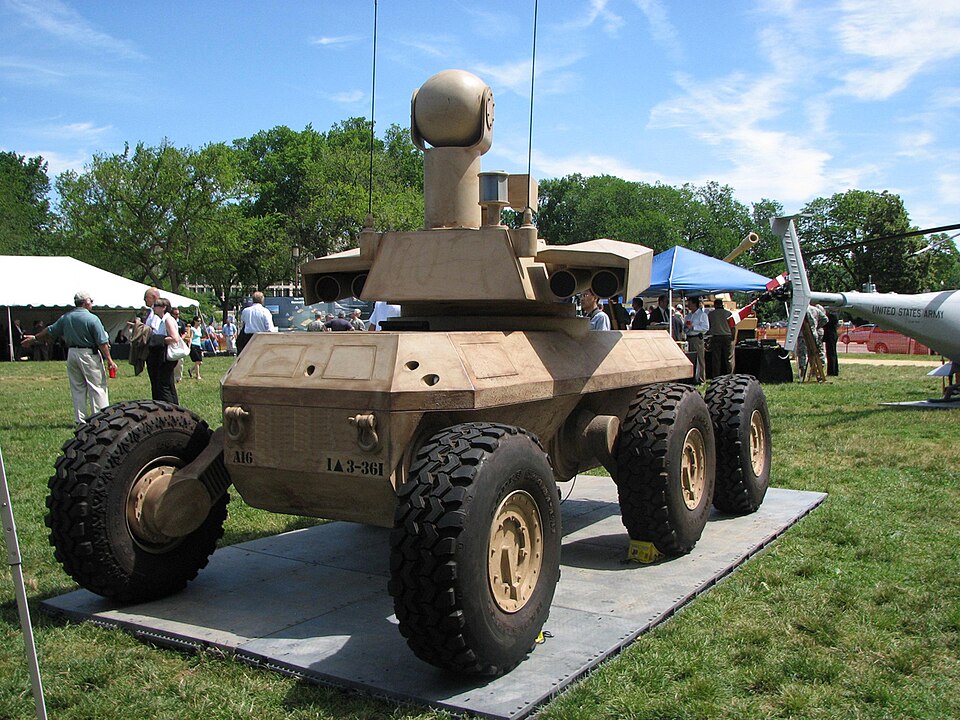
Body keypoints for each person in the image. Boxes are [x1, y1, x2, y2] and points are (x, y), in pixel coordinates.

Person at [22, 291, 117, 425]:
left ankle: (80, 420)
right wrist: (110, 360)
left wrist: (34, 338)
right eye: (91, 301)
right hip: (88, 354)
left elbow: (50, 330)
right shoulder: (92, 319)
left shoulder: (66, 317)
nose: (92, 303)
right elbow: (102, 342)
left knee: (77, 388)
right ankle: (100, 419)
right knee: (97, 387)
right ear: (86, 302)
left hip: (72, 353)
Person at [150, 298, 181, 403]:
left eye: (156, 306)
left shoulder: (168, 320)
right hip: (165, 355)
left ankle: (169, 407)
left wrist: (158, 339)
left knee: (163, 385)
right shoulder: (164, 319)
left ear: (163, 308)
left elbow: (174, 338)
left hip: (167, 356)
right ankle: (174, 406)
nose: (153, 308)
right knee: (168, 384)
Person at [684, 296, 709, 383]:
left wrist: (694, 327)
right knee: (691, 358)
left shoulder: (702, 315)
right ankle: (692, 377)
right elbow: (685, 327)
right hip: (689, 338)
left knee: (699, 358)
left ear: (694, 304)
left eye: (689, 303)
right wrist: (686, 328)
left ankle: (701, 378)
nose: (688, 305)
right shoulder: (689, 315)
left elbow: (706, 327)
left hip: (697, 338)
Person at [707, 297, 734, 377]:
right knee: (729, 358)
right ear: (722, 304)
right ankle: (730, 375)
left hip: (716, 336)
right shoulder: (728, 313)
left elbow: (709, 326)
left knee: (716, 358)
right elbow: (732, 326)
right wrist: (733, 336)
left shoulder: (711, 314)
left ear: (715, 305)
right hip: (727, 336)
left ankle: (716, 376)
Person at [823, 308, 840, 376]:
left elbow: (826, 324)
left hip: (831, 336)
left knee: (831, 354)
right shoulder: (835, 316)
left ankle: (831, 371)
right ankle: (834, 371)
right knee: (833, 353)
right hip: (833, 335)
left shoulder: (832, 317)